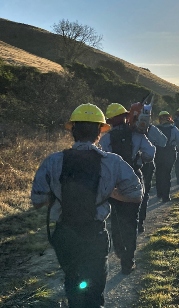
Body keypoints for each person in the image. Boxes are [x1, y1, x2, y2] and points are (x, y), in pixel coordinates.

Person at [31, 103, 143, 308]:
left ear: (72, 130)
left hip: (65, 235)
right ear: (100, 132)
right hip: (94, 235)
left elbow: (37, 201)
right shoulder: (113, 162)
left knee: (73, 282)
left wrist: (59, 196)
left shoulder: (53, 161)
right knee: (94, 290)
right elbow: (136, 194)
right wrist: (111, 193)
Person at [99, 103, 155, 274]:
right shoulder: (138, 135)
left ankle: (119, 249)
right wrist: (141, 159)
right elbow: (150, 153)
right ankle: (128, 261)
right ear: (125, 116)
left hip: (113, 183)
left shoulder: (105, 139)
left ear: (109, 120)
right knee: (131, 221)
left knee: (115, 219)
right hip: (133, 180)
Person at [138, 123, 167, 232]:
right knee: (144, 193)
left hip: (126, 164)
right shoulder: (151, 128)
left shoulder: (125, 127)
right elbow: (164, 142)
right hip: (147, 165)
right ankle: (140, 222)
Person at [155, 111, 179, 202]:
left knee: (158, 172)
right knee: (167, 174)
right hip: (170, 153)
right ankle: (166, 196)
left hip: (158, 153)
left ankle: (159, 192)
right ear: (169, 118)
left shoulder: (155, 129)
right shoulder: (174, 129)